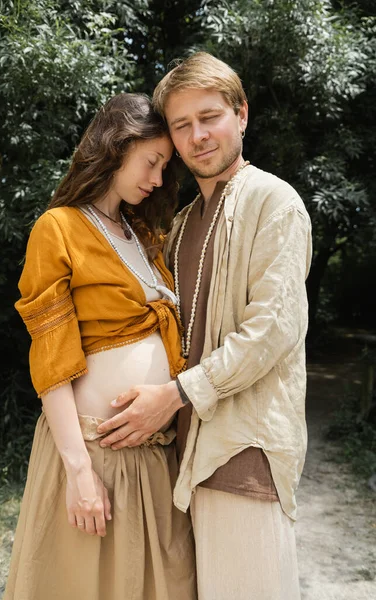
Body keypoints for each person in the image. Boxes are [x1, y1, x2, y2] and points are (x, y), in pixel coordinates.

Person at [97, 53, 312, 600]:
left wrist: (173, 394)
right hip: (179, 458)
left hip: (243, 453)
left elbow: (270, 331)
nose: (198, 136)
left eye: (209, 116)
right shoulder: (182, 221)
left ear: (241, 115)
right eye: (181, 125)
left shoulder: (274, 202)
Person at [3, 93, 196, 600]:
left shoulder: (144, 234)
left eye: (163, 167)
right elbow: (52, 365)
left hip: (153, 457)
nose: (156, 179)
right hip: (94, 451)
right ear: (117, 145)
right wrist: (80, 472)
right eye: (151, 161)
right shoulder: (59, 227)